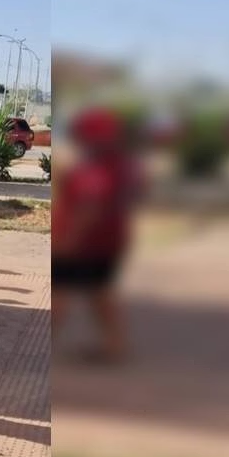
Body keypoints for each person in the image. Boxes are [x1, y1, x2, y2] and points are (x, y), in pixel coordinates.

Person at [52, 107, 142, 364]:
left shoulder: (96, 169)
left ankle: (47, 346)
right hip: (109, 240)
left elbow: (88, 208)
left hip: (85, 244)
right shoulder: (121, 165)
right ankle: (114, 345)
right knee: (100, 292)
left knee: (62, 292)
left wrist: (68, 241)